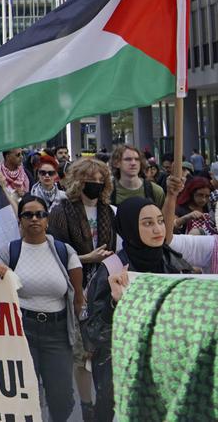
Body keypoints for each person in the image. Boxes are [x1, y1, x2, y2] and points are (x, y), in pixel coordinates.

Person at [83, 175, 191, 422]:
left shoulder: (175, 263)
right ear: (130, 227)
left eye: (161, 222)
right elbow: (94, 334)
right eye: (147, 223)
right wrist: (114, 304)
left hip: (167, 370)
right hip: (123, 377)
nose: (157, 229)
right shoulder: (111, 269)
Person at [0, 196, 83, 422]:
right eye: (28, 215)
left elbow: (77, 298)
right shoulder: (8, 252)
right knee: (27, 393)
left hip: (58, 331)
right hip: (22, 330)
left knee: (62, 397)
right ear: (20, 220)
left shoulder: (65, 252)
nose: (34, 219)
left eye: (40, 214)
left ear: (47, 220)